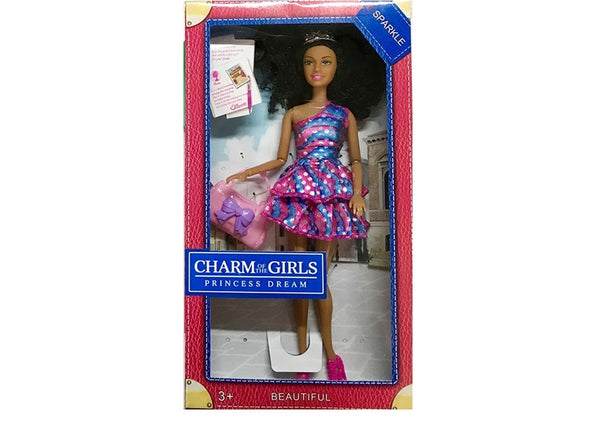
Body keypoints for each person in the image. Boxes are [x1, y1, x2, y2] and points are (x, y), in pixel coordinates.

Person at [226, 27, 384, 380]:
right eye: (310, 62)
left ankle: (330, 351)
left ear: (339, 67)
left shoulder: (343, 114)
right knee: (301, 275)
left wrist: (356, 193)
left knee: (319, 278)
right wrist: (247, 171)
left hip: (331, 192)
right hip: (299, 190)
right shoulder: (294, 113)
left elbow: (355, 159)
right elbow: (281, 158)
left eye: (326, 62)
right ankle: (301, 351)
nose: (317, 69)